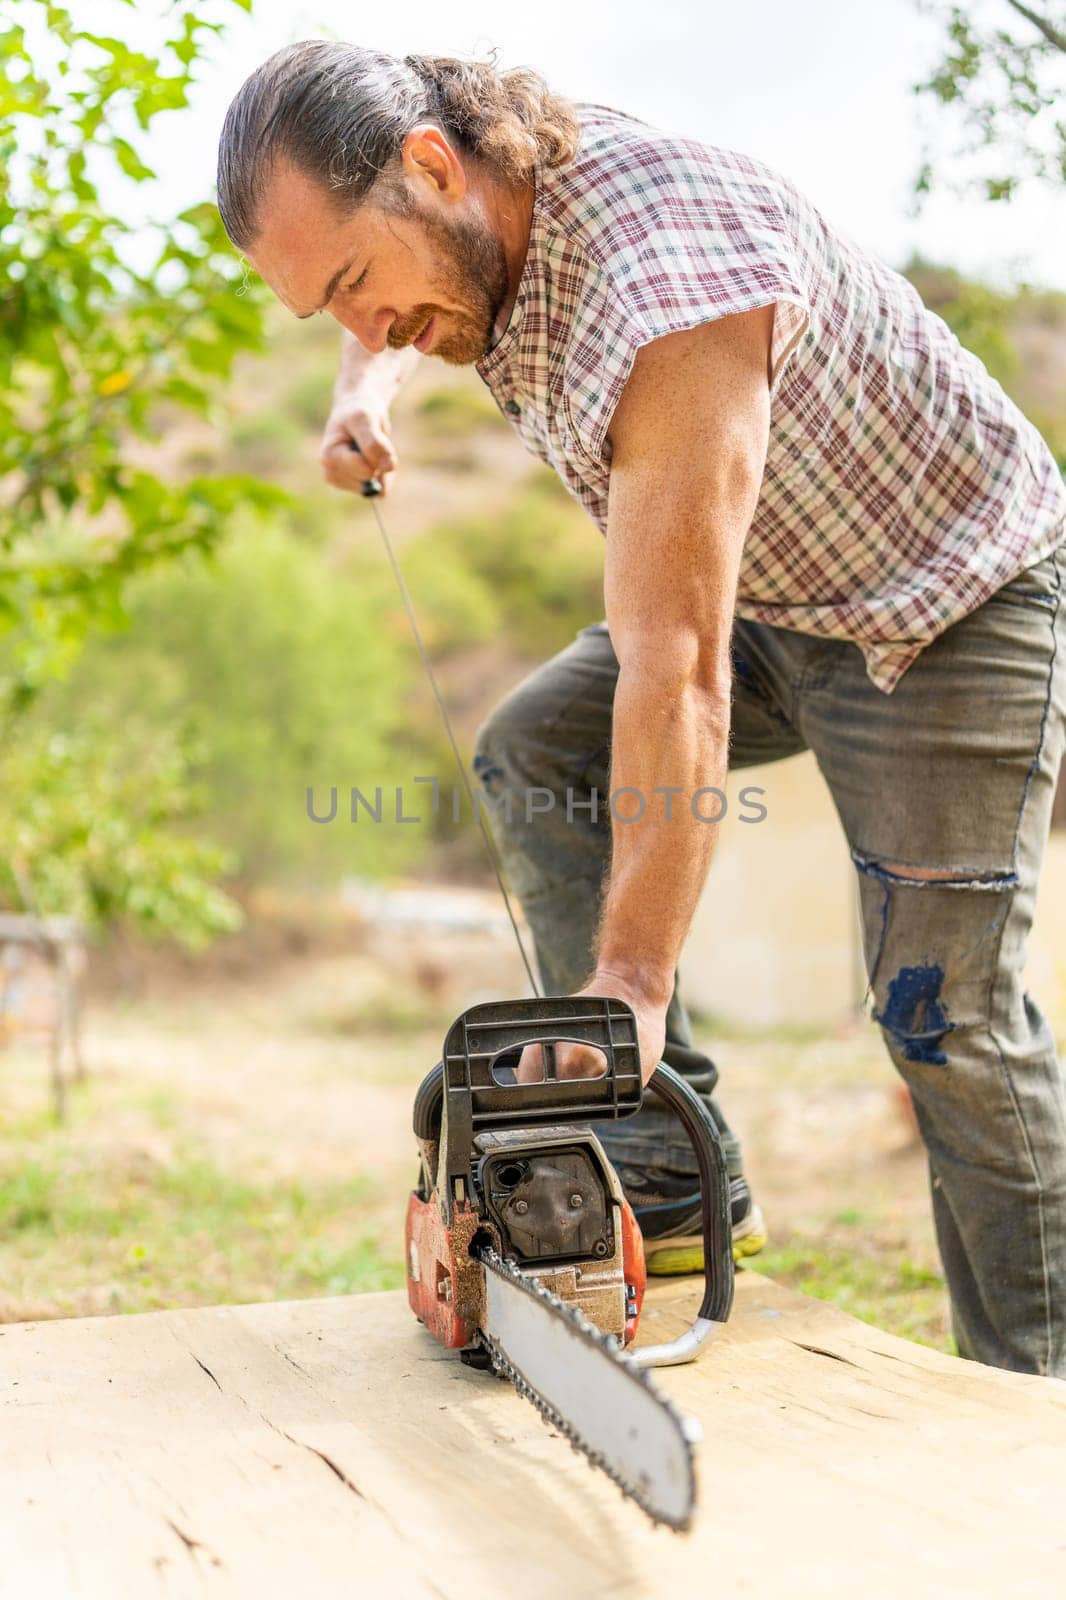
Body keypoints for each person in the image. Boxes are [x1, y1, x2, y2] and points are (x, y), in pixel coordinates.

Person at [216, 41, 1066, 1377]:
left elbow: (676, 670)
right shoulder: (475, 223)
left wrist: (627, 986)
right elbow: (391, 299)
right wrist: (362, 388)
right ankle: (685, 1175)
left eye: (356, 292)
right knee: (532, 750)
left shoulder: (665, 282)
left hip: (941, 600)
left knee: (939, 1018)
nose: (363, 326)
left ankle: (1037, 1400)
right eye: (325, 308)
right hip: (776, 585)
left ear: (434, 166)